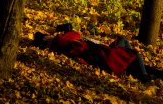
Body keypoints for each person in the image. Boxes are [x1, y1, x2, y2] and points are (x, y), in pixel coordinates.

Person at [32, 23, 163, 83]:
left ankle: (151, 74)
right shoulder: (59, 40)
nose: (49, 35)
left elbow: (70, 30)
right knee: (133, 53)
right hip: (100, 53)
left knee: (133, 63)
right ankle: (144, 78)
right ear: (45, 39)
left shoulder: (59, 42)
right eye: (45, 36)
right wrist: (54, 31)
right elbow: (71, 30)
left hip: (99, 51)